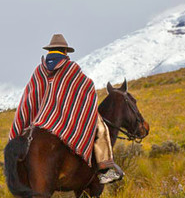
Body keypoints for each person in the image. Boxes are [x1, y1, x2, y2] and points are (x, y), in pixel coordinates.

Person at [10, 33, 124, 184]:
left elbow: (30, 96)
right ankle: (106, 169)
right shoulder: (70, 67)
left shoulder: (39, 70)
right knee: (101, 128)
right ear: (64, 51)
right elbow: (87, 87)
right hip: (64, 114)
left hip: (39, 116)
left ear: (50, 50)